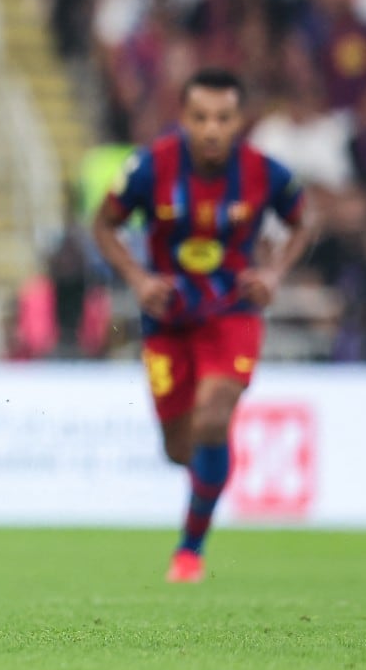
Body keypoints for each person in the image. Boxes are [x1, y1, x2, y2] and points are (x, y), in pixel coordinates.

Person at [91, 68, 314, 583]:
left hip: (232, 310)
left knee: (213, 415)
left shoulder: (264, 172)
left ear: (240, 121)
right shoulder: (151, 167)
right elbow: (104, 224)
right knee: (180, 448)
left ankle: (190, 550)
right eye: (201, 117)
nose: (212, 129)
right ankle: (213, 465)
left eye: (223, 118)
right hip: (167, 316)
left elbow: (305, 220)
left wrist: (275, 272)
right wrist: (138, 279)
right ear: (184, 118)